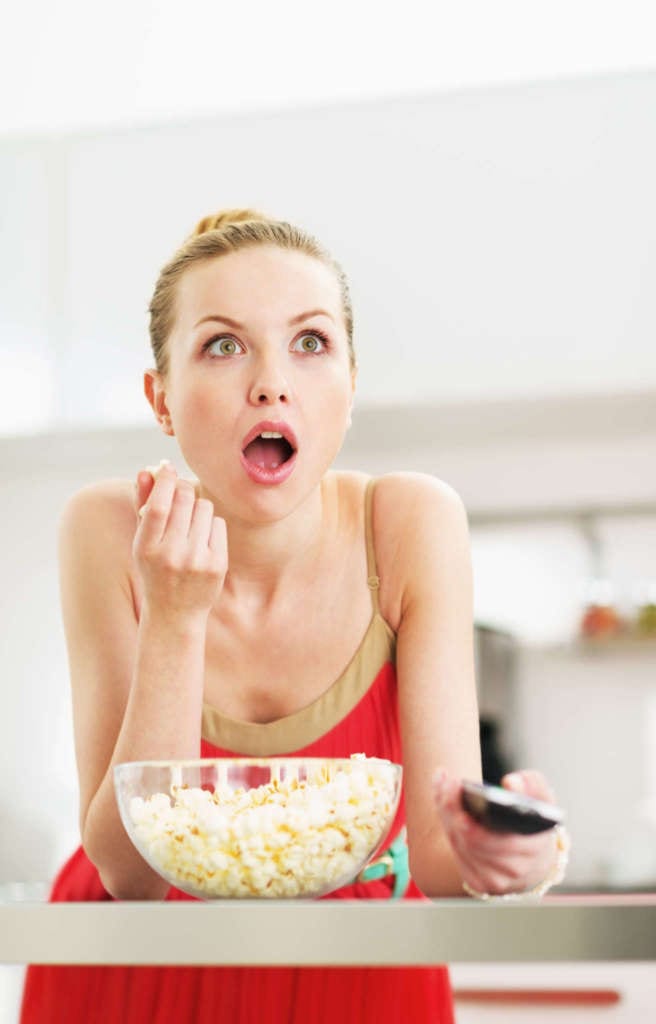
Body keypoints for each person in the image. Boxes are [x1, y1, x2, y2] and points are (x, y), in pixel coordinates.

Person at [21, 209, 568, 1023]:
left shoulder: (410, 524)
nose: (271, 381)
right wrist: (176, 617)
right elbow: (129, 876)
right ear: (160, 399)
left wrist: (509, 861)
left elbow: (439, 859)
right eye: (222, 344)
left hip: (359, 976)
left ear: (350, 388)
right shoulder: (108, 531)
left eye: (309, 343)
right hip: (136, 973)